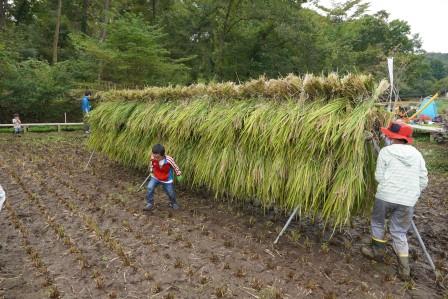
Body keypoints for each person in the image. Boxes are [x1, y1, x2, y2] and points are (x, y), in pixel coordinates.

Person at [361, 122, 428, 281]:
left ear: (392, 136)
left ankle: (377, 252)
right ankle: (404, 269)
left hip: (385, 196)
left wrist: (389, 186)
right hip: (408, 200)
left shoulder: (386, 151)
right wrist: (411, 194)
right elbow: (423, 180)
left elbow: (378, 176)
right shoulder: (417, 154)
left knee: (378, 222)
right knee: (399, 231)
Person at [144, 144, 183, 211]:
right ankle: (149, 203)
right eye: (154, 155)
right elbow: (151, 164)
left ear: (162, 155)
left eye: (157, 157)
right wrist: (151, 170)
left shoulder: (169, 160)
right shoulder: (153, 157)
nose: (155, 158)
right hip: (156, 176)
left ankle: (173, 203)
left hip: (166, 179)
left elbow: (175, 167)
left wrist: (178, 174)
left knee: (170, 192)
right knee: (149, 187)